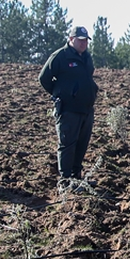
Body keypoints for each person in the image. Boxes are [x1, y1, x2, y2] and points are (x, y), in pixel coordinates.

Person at [39, 26, 98, 189]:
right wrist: (61, 93)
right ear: (71, 39)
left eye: (85, 40)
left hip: (86, 108)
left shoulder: (87, 57)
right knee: (67, 144)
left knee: (82, 144)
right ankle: (64, 182)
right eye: (80, 40)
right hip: (68, 109)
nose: (83, 43)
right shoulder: (60, 56)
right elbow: (44, 78)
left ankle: (76, 178)